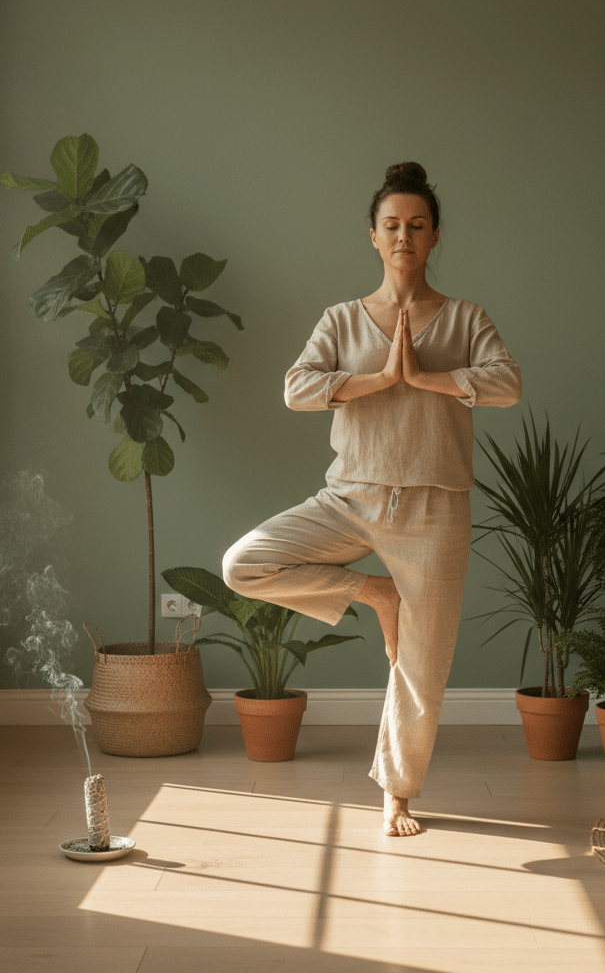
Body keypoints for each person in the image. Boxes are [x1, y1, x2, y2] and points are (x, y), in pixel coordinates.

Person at [222, 162, 522, 836]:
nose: (404, 237)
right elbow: (296, 389)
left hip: (435, 510)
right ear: (373, 236)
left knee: (421, 666)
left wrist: (429, 376)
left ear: (435, 235)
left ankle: (397, 793)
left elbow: (507, 386)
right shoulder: (341, 320)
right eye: (392, 226)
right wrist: (380, 378)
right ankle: (374, 593)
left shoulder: (465, 317)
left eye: (417, 226)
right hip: (349, 499)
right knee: (242, 564)